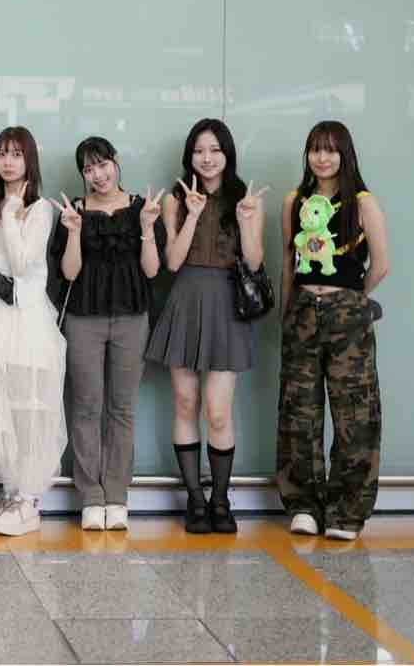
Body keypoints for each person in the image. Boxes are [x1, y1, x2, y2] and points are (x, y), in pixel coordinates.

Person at [145, 118, 267, 534]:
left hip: (228, 305)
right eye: (199, 150)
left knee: (217, 411)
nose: (207, 158)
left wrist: (247, 221)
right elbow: (173, 262)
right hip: (186, 300)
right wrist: (193, 215)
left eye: (215, 150)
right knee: (185, 403)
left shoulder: (246, 200)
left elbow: (254, 262)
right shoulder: (176, 200)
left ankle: (220, 499)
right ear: (190, 156)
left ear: (227, 153)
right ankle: (195, 499)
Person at [277, 120, 389, 541]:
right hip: (302, 311)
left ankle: (347, 512)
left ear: (345, 155)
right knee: (298, 411)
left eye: (330, 150)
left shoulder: (363, 203)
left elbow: (380, 265)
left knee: (354, 412)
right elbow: (288, 263)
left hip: (347, 315)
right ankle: (304, 506)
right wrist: (287, 313)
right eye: (315, 149)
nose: (322, 158)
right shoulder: (295, 201)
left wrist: (351, 298)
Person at [49, 136, 164, 532]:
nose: (97, 175)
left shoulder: (142, 208)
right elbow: (69, 272)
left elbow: (152, 270)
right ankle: (91, 496)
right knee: (85, 406)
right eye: (88, 169)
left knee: (122, 407)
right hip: (84, 318)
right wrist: (74, 232)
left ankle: (117, 495)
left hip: (132, 317)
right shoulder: (74, 211)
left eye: (102, 165)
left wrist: (146, 227)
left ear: (116, 162)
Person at [0, 126, 67, 536]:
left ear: (29, 160)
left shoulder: (38, 209)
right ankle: (10, 492)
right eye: (2, 153)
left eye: (17, 154)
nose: (8, 162)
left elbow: (22, 263)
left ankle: (30, 498)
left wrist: (11, 211)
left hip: (24, 319)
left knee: (26, 407)